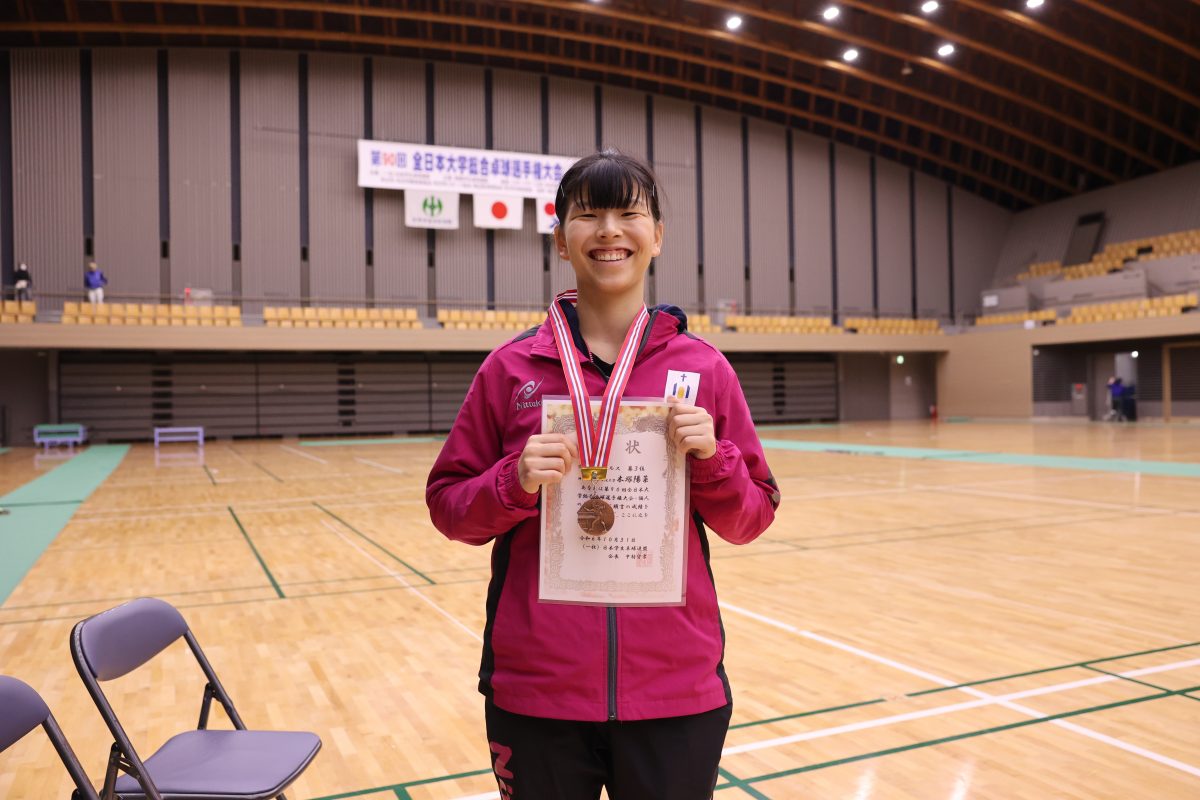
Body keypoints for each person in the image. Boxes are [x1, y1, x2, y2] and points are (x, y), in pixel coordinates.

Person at [426, 150, 779, 799]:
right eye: (588, 215)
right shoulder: (511, 371)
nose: (610, 230)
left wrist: (715, 461)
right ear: (561, 240)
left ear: (657, 235)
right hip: (538, 695)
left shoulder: (705, 371)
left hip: (675, 692)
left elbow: (751, 516)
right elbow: (448, 506)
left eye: (629, 213)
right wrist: (513, 481)